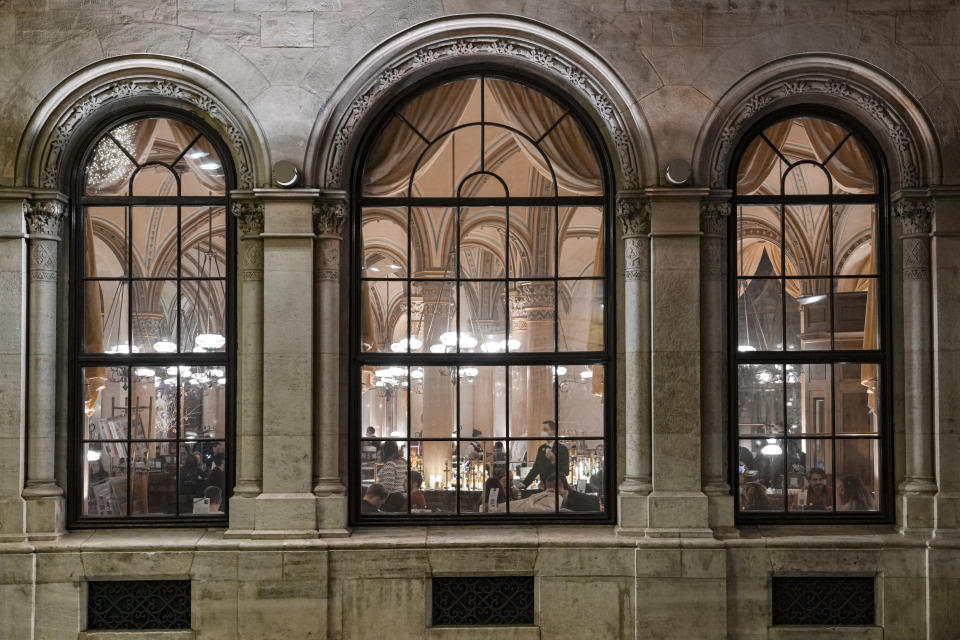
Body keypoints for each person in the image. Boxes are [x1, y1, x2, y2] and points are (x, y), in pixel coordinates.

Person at [522, 420, 569, 488]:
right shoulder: (541, 449)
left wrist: (553, 461)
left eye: (545, 430)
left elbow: (565, 471)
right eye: (542, 430)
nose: (543, 432)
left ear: (554, 431)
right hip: (544, 487)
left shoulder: (562, 449)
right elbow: (535, 469)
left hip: (558, 487)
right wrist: (524, 483)